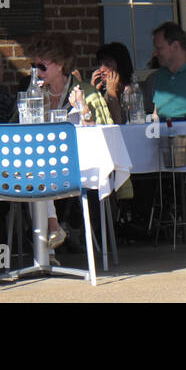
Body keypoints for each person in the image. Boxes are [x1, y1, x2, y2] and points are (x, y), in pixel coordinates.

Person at [25, 33, 112, 248]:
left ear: (61, 64)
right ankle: (52, 232)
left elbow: (101, 132)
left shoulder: (85, 92)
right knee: (32, 172)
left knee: (34, 174)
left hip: (78, 165)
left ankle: (48, 240)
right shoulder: (34, 93)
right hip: (46, 165)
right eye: (33, 66)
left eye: (42, 67)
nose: (37, 72)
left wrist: (83, 109)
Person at [149, 22, 186, 122]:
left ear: (175, 46)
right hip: (164, 132)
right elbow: (156, 113)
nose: (155, 53)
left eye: (159, 48)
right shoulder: (160, 75)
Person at [90, 42, 135, 124]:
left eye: (107, 64)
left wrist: (112, 93)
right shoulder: (103, 90)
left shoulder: (130, 91)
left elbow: (117, 122)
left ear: (120, 65)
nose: (101, 69)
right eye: (100, 64)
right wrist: (92, 92)